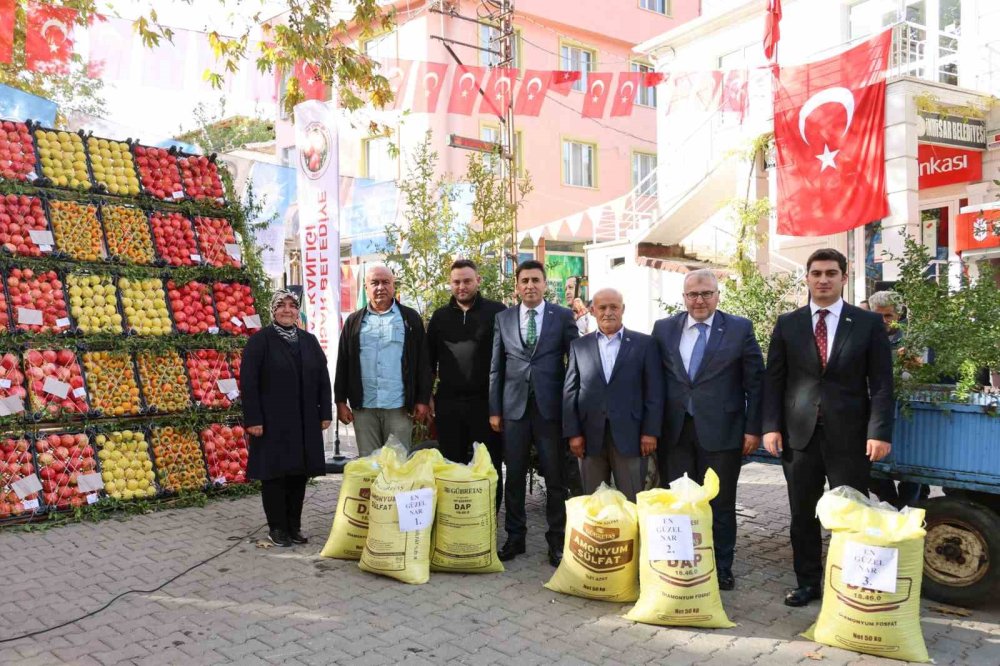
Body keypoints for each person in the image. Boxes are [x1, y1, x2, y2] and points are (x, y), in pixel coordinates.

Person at [763, 248, 894, 607]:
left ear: (843, 278)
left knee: (850, 514)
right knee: (801, 515)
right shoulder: (788, 323)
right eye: (816, 273)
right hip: (798, 436)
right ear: (806, 278)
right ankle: (808, 583)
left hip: (850, 438)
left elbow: (882, 383)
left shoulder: (866, 323)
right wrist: (770, 427)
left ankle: (851, 584)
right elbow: (773, 380)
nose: (823, 280)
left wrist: (878, 432)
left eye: (830, 273)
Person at [651, 268, 764, 591]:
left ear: (717, 295)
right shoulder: (664, 329)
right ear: (684, 297)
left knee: (721, 502)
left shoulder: (739, 329)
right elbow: (655, 380)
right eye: (692, 295)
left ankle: (721, 565)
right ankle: (682, 562)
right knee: (680, 501)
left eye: (706, 294)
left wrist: (753, 429)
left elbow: (755, 382)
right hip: (675, 433)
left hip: (723, 431)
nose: (699, 300)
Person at [490, 260, 579, 566]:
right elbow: (496, 367)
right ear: (517, 286)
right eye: (524, 280)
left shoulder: (563, 317)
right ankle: (515, 538)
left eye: (535, 280)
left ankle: (557, 542)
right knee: (513, 475)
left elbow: (576, 364)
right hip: (513, 409)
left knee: (555, 478)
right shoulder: (504, 318)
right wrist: (494, 410)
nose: (530, 285)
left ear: (545, 285)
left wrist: (570, 406)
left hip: (550, 409)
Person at [241, 290, 333, 547]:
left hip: (304, 421)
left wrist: (325, 412)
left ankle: (294, 526)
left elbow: (323, 380)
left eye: (293, 306)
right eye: (281, 305)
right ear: (272, 309)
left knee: (298, 474)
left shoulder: (309, 341)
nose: (287, 310)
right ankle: (277, 528)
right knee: (275, 475)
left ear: (298, 311)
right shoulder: (260, 342)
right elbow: (249, 383)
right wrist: (254, 419)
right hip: (272, 423)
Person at [563, 288, 663, 502]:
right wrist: (573, 433)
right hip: (589, 439)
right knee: (592, 503)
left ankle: (632, 537)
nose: (608, 312)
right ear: (592, 310)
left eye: (614, 307)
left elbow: (654, 391)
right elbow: (570, 391)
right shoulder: (579, 346)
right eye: (602, 307)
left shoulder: (644, 344)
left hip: (632, 437)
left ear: (623, 309)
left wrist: (650, 432)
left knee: (633, 500)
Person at [426, 259, 506, 508]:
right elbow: (429, 362)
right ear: (450, 284)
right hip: (449, 404)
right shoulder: (439, 317)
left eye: (467, 281)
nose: (462, 286)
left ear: (478, 281)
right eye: (456, 282)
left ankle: (488, 521)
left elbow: (506, 358)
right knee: (451, 465)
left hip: (486, 405)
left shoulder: (497, 312)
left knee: (488, 466)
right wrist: (426, 397)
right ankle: (455, 522)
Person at [334, 265, 431, 455]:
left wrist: (422, 399)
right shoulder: (354, 321)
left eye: (385, 282)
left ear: (394, 286)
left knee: (398, 466)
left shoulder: (410, 319)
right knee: (369, 467)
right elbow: (343, 362)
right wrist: (340, 401)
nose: (380, 287)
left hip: (399, 407)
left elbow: (423, 362)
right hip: (364, 408)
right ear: (366, 288)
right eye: (374, 283)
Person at [867, 290, 928, 509]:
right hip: (873, 409)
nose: (883, 321)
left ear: (898, 315)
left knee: (912, 469)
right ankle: (891, 504)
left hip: (907, 411)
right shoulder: (863, 334)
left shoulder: (911, 338)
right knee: (873, 470)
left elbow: (923, 371)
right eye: (878, 316)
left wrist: (913, 362)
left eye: (888, 316)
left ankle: (908, 506)